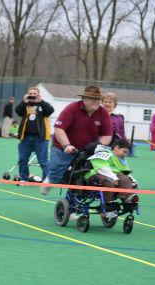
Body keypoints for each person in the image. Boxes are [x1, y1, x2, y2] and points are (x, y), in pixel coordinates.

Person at [42, 85, 113, 221]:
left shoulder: (102, 113)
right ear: (84, 99)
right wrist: (67, 145)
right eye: (92, 99)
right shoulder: (72, 108)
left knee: (78, 179)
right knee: (58, 176)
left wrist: (100, 147)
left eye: (98, 99)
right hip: (63, 148)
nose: (96, 102)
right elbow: (59, 129)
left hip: (86, 152)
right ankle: (51, 179)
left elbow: (107, 134)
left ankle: (72, 208)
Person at [84, 139, 137, 218]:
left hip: (113, 176)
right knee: (108, 181)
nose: (125, 154)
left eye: (127, 152)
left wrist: (132, 180)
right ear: (116, 147)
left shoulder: (120, 159)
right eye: (124, 151)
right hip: (96, 175)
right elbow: (102, 168)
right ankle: (109, 205)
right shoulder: (102, 154)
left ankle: (128, 199)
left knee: (125, 179)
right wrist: (114, 178)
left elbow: (124, 172)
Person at [15, 87, 54, 184]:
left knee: (43, 161)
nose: (32, 95)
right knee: (23, 160)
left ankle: (47, 180)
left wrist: (40, 101)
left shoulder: (42, 105)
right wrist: (24, 101)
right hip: (25, 138)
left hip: (40, 138)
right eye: (30, 93)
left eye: (35, 93)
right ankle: (24, 179)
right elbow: (17, 111)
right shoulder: (25, 105)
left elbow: (50, 110)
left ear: (38, 94)